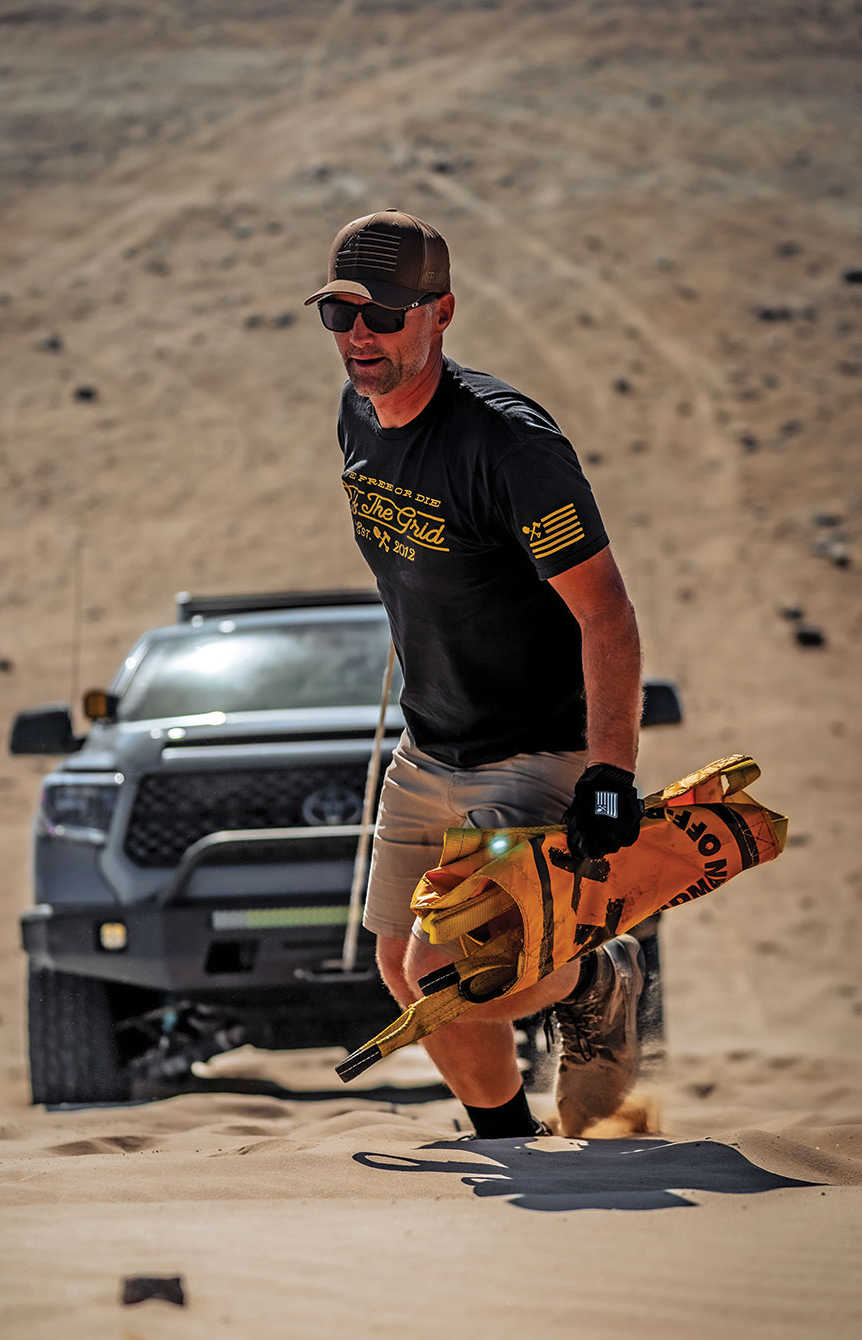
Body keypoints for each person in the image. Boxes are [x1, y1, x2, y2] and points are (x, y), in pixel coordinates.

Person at [306, 209, 647, 1139]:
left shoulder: (511, 447)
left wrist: (610, 773)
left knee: (448, 975)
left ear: (441, 312)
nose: (360, 337)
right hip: (430, 746)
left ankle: (603, 978)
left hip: (534, 754)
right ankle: (509, 1139)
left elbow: (606, 612)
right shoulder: (357, 415)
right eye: (341, 315)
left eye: (382, 313)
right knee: (397, 967)